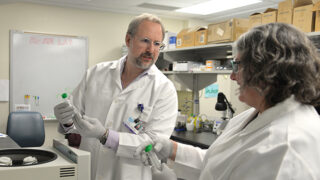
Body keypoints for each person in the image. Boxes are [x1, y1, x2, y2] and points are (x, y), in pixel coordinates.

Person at [135, 22, 320, 180]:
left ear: (266, 70)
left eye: (237, 66)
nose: (232, 76)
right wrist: (171, 149)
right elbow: (218, 164)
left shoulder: (287, 147)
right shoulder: (253, 114)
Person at [54, 13, 178, 180]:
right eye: (145, 41)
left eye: (157, 44)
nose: (151, 50)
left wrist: (105, 136)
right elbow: (75, 120)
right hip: (89, 170)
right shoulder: (96, 73)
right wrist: (67, 120)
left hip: (129, 174)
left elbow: (154, 144)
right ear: (128, 40)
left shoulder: (164, 89)